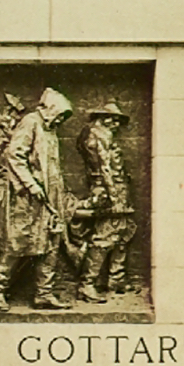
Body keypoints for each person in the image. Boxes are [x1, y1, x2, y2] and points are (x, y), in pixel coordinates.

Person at [0, 88, 73, 312]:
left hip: (51, 193)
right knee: (18, 242)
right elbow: (14, 155)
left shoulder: (50, 129)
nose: (61, 119)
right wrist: (31, 184)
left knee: (51, 243)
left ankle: (43, 294)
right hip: (27, 195)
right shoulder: (31, 122)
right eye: (60, 114)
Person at [74, 102, 137, 302]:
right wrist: (114, 197)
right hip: (110, 190)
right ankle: (87, 284)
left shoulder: (96, 134)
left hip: (116, 188)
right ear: (104, 118)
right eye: (114, 119)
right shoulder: (98, 135)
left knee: (123, 232)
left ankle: (116, 278)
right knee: (105, 235)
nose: (117, 124)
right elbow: (104, 168)